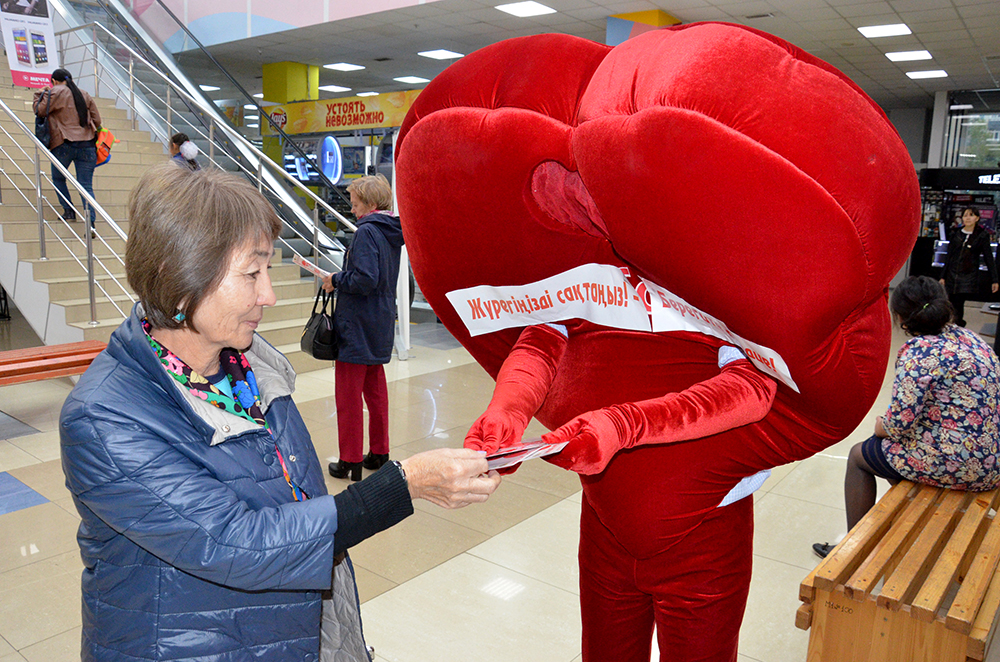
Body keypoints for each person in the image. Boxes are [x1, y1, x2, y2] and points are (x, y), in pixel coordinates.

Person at [60, 162, 501, 661]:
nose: (267, 294)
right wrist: (405, 484)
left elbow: (295, 502)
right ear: (176, 275)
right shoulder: (104, 418)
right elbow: (237, 543)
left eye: (267, 270)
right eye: (251, 273)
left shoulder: (251, 367)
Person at [813, 276, 1000, 558]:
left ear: (901, 318)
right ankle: (910, 523)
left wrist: (881, 425)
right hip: (992, 459)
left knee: (858, 456)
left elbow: (899, 422)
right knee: (902, 454)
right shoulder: (970, 338)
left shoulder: (918, 352)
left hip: (962, 465)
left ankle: (852, 550)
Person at [322, 174, 402, 480]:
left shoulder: (367, 232)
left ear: (369, 203)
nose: (352, 209)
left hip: (357, 324)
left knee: (348, 396)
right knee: (376, 391)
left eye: (355, 203)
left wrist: (336, 279)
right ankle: (380, 452)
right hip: (380, 320)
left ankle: (350, 460)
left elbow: (365, 278)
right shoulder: (391, 231)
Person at [33, 68, 101, 229]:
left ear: (54, 81)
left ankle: (69, 211)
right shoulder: (84, 93)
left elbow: (39, 110)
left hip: (64, 143)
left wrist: (39, 94)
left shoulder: (55, 92)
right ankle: (90, 222)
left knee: (58, 179)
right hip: (88, 145)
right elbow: (97, 120)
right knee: (86, 185)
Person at [939, 207, 998, 327]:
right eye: (965, 215)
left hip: (968, 275)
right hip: (952, 274)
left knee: (959, 302)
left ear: (977, 218)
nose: (967, 218)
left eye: (970, 215)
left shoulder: (982, 235)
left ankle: (958, 325)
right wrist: (943, 276)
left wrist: (995, 279)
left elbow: (988, 258)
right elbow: (949, 256)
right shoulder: (956, 233)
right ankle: (955, 324)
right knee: (951, 302)